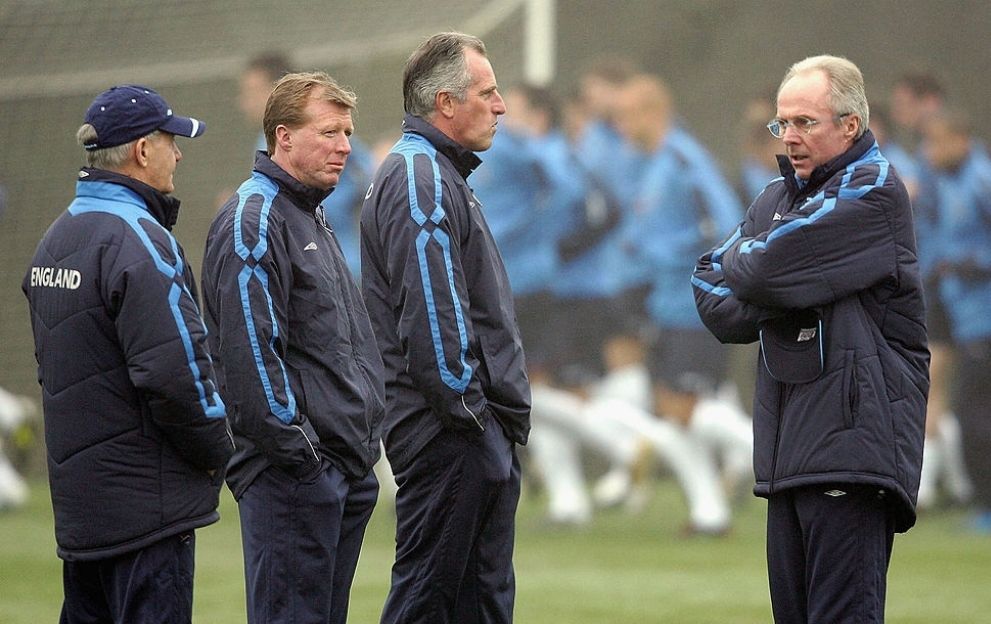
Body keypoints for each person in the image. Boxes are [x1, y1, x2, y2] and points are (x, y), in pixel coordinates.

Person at [693, 55, 928, 622]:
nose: (789, 136)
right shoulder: (776, 197)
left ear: (850, 125)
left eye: (805, 122)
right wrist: (780, 278)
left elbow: (756, 269)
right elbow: (709, 289)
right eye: (783, 123)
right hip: (788, 453)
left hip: (850, 449)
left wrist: (762, 266)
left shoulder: (874, 189)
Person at [21, 84, 234, 623]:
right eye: (171, 141)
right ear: (142, 150)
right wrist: (218, 447)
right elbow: (176, 373)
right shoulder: (140, 239)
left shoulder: (54, 240)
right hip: (146, 512)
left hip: (83, 513)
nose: (178, 154)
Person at [201, 71, 385, 624]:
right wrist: (305, 457)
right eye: (329, 133)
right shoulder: (254, 220)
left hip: (338, 468)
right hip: (293, 476)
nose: (345, 146)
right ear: (283, 136)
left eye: (347, 132)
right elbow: (251, 355)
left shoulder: (309, 212)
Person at [360, 32, 530, 623]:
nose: (501, 106)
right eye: (488, 93)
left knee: (476, 603)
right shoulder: (420, 178)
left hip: (464, 432)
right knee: (427, 602)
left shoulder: (437, 174)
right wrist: (475, 419)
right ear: (447, 103)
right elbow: (433, 317)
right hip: (450, 435)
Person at [919, 107, 991, 531]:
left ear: (961, 141)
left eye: (936, 143)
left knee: (974, 413)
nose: (929, 152)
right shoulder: (946, 182)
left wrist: (971, 264)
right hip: (966, 318)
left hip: (985, 318)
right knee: (967, 412)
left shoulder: (981, 181)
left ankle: (986, 503)